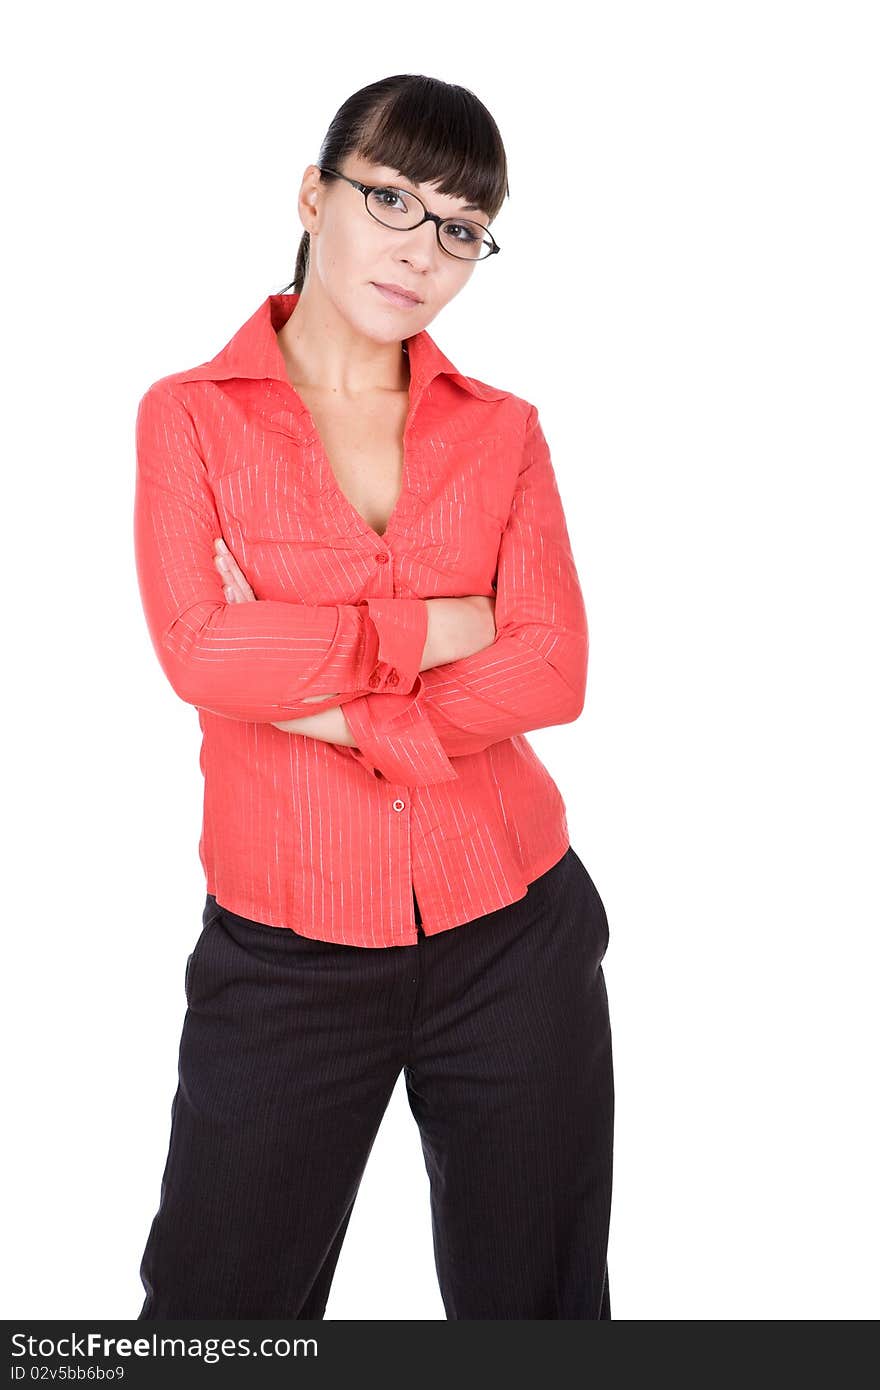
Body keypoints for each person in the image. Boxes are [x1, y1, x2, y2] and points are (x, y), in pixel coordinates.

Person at [133, 71, 614, 1320]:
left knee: (543, 1313)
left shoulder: (502, 431)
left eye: (460, 226)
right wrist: (443, 628)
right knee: (210, 1323)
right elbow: (198, 653)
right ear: (313, 194)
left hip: (517, 929)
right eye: (391, 198)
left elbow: (553, 670)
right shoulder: (189, 419)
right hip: (285, 952)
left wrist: (310, 674)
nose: (422, 248)